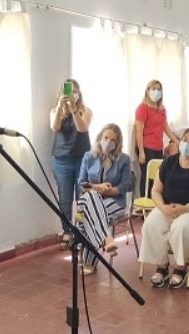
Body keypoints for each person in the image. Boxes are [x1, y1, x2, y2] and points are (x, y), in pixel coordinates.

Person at [140, 128, 189, 288]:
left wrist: (186, 208)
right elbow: (155, 190)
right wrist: (163, 207)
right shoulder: (169, 162)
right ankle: (161, 266)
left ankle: (180, 267)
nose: (187, 144)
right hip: (169, 207)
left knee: (180, 227)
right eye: (184, 139)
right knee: (151, 223)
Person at [76, 124, 131, 275]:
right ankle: (107, 238)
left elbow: (125, 186)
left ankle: (88, 260)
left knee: (91, 214)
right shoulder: (88, 156)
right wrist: (98, 187)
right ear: (100, 137)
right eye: (106, 138)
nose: (108, 142)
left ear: (118, 143)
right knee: (92, 199)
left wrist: (109, 190)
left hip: (115, 201)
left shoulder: (124, 159)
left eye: (113, 140)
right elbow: (81, 184)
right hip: (89, 199)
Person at [50, 78, 93, 250]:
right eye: (68, 91)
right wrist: (61, 107)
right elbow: (54, 127)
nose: (72, 94)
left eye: (75, 91)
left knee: (82, 197)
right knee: (65, 199)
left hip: (82, 160)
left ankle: (81, 231)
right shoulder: (55, 110)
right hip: (61, 160)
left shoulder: (85, 111)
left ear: (79, 94)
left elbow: (82, 128)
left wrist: (74, 110)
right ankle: (67, 231)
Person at [135, 80, 180, 196]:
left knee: (157, 175)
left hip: (158, 146)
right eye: (153, 89)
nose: (156, 91)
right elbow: (138, 131)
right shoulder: (143, 108)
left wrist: (177, 141)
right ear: (147, 91)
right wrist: (141, 151)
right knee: (146, 174)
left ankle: (154, 200)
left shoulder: (162, 109)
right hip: (145, 146)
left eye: (159, 89)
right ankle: (144, 201)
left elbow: (165, 127)